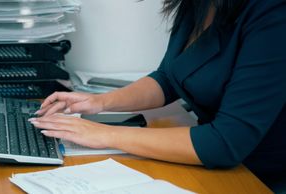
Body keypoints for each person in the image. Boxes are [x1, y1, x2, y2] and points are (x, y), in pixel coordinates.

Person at [29, 0, 286, 191]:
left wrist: (103, 134)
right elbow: (168, 78)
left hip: (259, 178)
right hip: (216, 163)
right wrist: (98, 102)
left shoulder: (274, 15)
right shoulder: (199, 5)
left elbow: (225, 143)